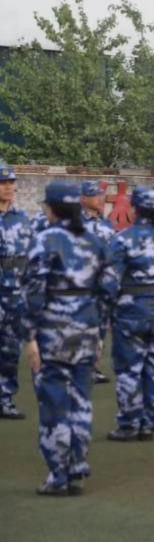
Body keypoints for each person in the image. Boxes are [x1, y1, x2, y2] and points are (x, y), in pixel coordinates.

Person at [23, 182, 110, 496]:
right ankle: (77, 466)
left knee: (54, 402)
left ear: (52, 208)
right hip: (86, 328)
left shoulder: (45, 240)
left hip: (53, 331)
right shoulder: (95, 240)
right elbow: (107, 288)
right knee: (80, 401)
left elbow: (33, 291)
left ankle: (59, 473)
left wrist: (30, 337)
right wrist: (100, 333)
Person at [104, 187, 154, 442]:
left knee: (129, 368)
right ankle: (151, 421)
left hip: (131, 311)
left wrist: (109, 309)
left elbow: (110, 281)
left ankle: (129, 423)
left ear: (134, 208)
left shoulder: (123, 239)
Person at [0, 163, 34, 419]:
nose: (9, 187)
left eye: (11, 182)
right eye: (3, 183)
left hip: (14, 294)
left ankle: (5, 399)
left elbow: (31, 256)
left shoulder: (22, 219)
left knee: (10, 350)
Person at [80, 181, 115, 385]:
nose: (100, 199)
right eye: (95, 195)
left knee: (100, 327)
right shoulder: (75, 223)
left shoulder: (106, 224)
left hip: (103, 284)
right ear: (83, 199)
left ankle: (93, 366)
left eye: (101, 195)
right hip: (82, 285)